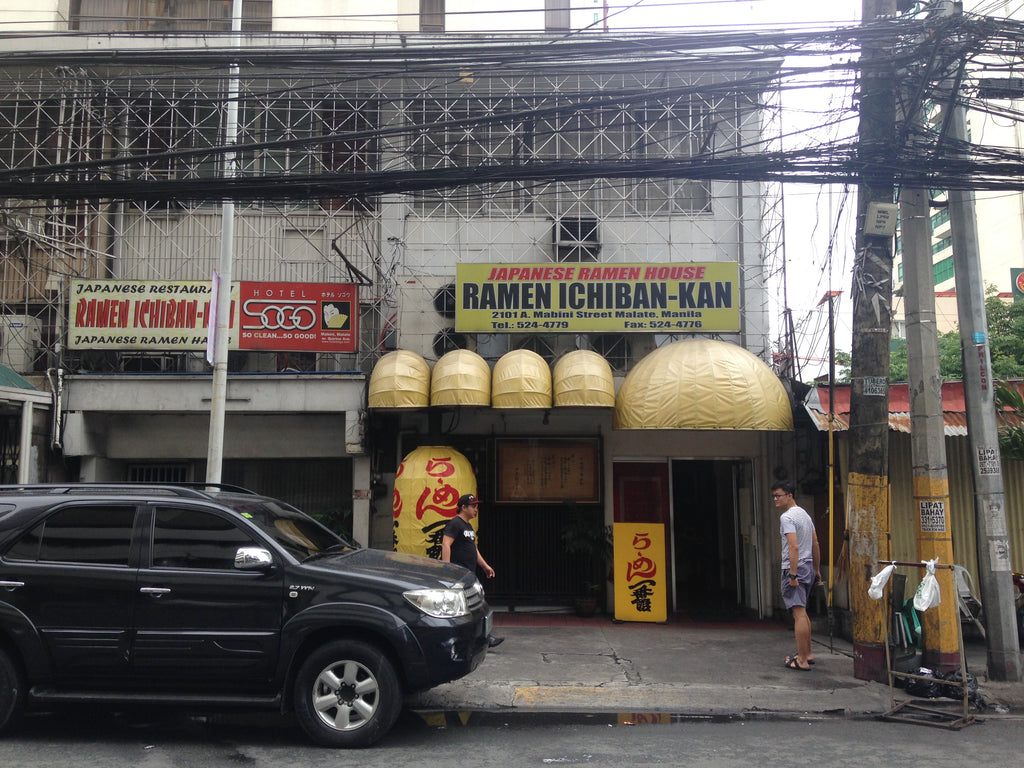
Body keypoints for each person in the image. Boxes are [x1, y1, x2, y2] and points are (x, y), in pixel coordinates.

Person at [441, 493, 504, 648]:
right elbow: (445, 544)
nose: (476, 509)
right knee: (469, 609)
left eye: (477, 506)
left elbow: (473, 550)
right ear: (463, 507)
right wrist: (446, 569)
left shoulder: (468, 527)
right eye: (473, 506)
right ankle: (480, 639)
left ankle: (482, 639)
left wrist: (484, 566)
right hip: (457, 576)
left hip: (469, 575)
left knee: (475, 608)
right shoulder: (455, 524)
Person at [772, 480, 821, 671]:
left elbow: (794, 546)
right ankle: (807, 653)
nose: (775, 499)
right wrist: (816, 569)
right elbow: (815, 543)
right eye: (774, 496)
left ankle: (801, 660)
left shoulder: (787, 517)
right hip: (807, 566)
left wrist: (792, 575)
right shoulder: (805, 515)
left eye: (779, 495)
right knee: (803, 611)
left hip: (796, 568)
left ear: (789, 495)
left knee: (798, 612)